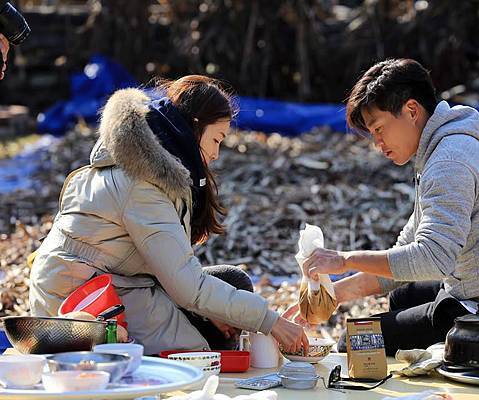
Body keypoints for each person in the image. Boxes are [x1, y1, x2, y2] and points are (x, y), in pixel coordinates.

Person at [285, 58, 479, 355]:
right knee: (402, 297)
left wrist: (344, 260)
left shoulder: (449, 161)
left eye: (379, 129)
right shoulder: (441, 150)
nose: (377, 143)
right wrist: (334, 294)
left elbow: (432, 259)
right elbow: (406, 251)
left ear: (411, 110)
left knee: (354, 343)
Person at [29, 75, 309, 355]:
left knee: (232, 283)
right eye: (216, 140)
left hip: (118, 281)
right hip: (80, 300)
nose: (215, 154)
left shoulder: (150, 168)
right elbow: (187, 286)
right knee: (199, 356)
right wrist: (270, 321)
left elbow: (172, 270)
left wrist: (217, 311)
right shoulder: (142, 184)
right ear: (195, 127)